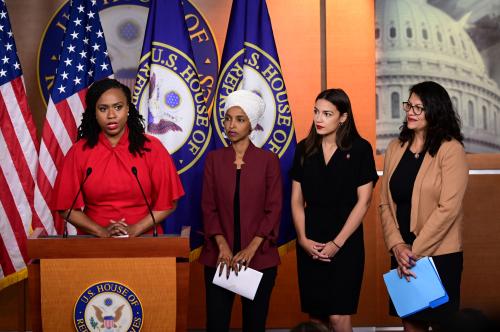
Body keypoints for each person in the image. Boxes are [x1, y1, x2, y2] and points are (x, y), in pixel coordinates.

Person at [379, 81, 468, 331]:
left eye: (419, 108)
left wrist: (413, 252)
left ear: (435, 111)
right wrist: (397, 246)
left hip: (439, 255)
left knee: (441, 325)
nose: (410, 112)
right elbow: (385, 202)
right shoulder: (395, 148)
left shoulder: (451, 150)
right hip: (402, 253)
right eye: (409, 105)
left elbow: (448, 208)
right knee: (410, 325)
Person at [291, 89, 378, 332]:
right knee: (316, 319)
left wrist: (337, 243)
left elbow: (364, 202)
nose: (319, 118)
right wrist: (302, 240)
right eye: (316, 112)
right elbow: (296, 200)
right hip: (310, 240)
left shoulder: (360, 149)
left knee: (339, 316)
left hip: (346, 241)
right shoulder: (304, 149)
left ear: (343, 117)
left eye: (327, 113)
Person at [52, 78, 184, 237]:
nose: (111, 115)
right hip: (94, 243)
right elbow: (65, 207)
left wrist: (135, 229)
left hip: (145, 241)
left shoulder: (152, 148)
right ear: (94, 112)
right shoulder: (79, 152)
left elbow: (169, 202)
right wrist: (100, 231)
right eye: (103, 109)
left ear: (128, 108)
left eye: (118, 107)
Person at [198, 89, 282, 332]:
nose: (231, 125)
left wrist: (250, 249)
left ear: (252, 124)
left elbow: (274, 209)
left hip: (259, 259)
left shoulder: (268, 160)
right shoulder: (214, 159)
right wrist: (223, 246)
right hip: (219, 258)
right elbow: (208, 207)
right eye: (227, 118)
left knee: (254, 325)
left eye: (240, 119)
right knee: (216, 324)